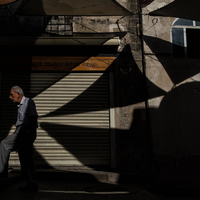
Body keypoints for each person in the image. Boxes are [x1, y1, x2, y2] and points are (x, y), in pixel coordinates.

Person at [0, 86, 38, 191]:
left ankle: (2, 173)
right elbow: (20, 122)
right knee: (25, 158)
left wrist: (27, 135)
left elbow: (33, 118)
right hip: (22, 132)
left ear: (18, 94)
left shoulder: (28, 102)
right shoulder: (19, 105)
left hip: (26, 131)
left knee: (4, 144)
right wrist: (16, 133)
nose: (10, 97)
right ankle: (31, 183)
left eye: (12, 94)